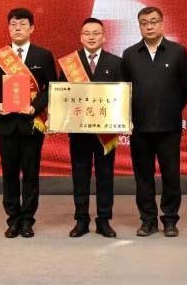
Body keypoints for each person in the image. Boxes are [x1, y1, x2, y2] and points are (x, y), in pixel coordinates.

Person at [0, 7, 56, 238]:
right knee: (10, 173)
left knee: (31, 174)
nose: (17, 28)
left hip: (32, 124)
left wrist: (36, 107)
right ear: (8, 28)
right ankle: (13, 219)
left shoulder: (43, 55)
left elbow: (51, 87)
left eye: (23, 24)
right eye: (13, 24)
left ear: (32, 28)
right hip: (6, 124)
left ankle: (27, 220)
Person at [122, 6, 187, 237]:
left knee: (171, 176)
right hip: (140, 127)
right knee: (143, 178)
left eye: (153, 22)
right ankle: (148, 221)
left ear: (162, 24)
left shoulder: (177, 52)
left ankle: (170, 220)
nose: (149, 27)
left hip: (169, 127)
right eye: (144, 23)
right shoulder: (130, 54)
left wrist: (171, 108)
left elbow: (186, 86)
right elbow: (124, 90)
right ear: (139, 26)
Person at [57, 17, 123, 238]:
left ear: (103, 37)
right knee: (80, 176)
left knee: (106, 176)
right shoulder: (70, 64)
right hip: (79, 132)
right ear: (81, 37)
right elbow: (61, 96)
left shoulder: (116, 62)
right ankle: (81, 220)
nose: (91, 37)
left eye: (96, 33)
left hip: (106, 132)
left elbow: (124, 95)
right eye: (87, 33)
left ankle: (104, 220)